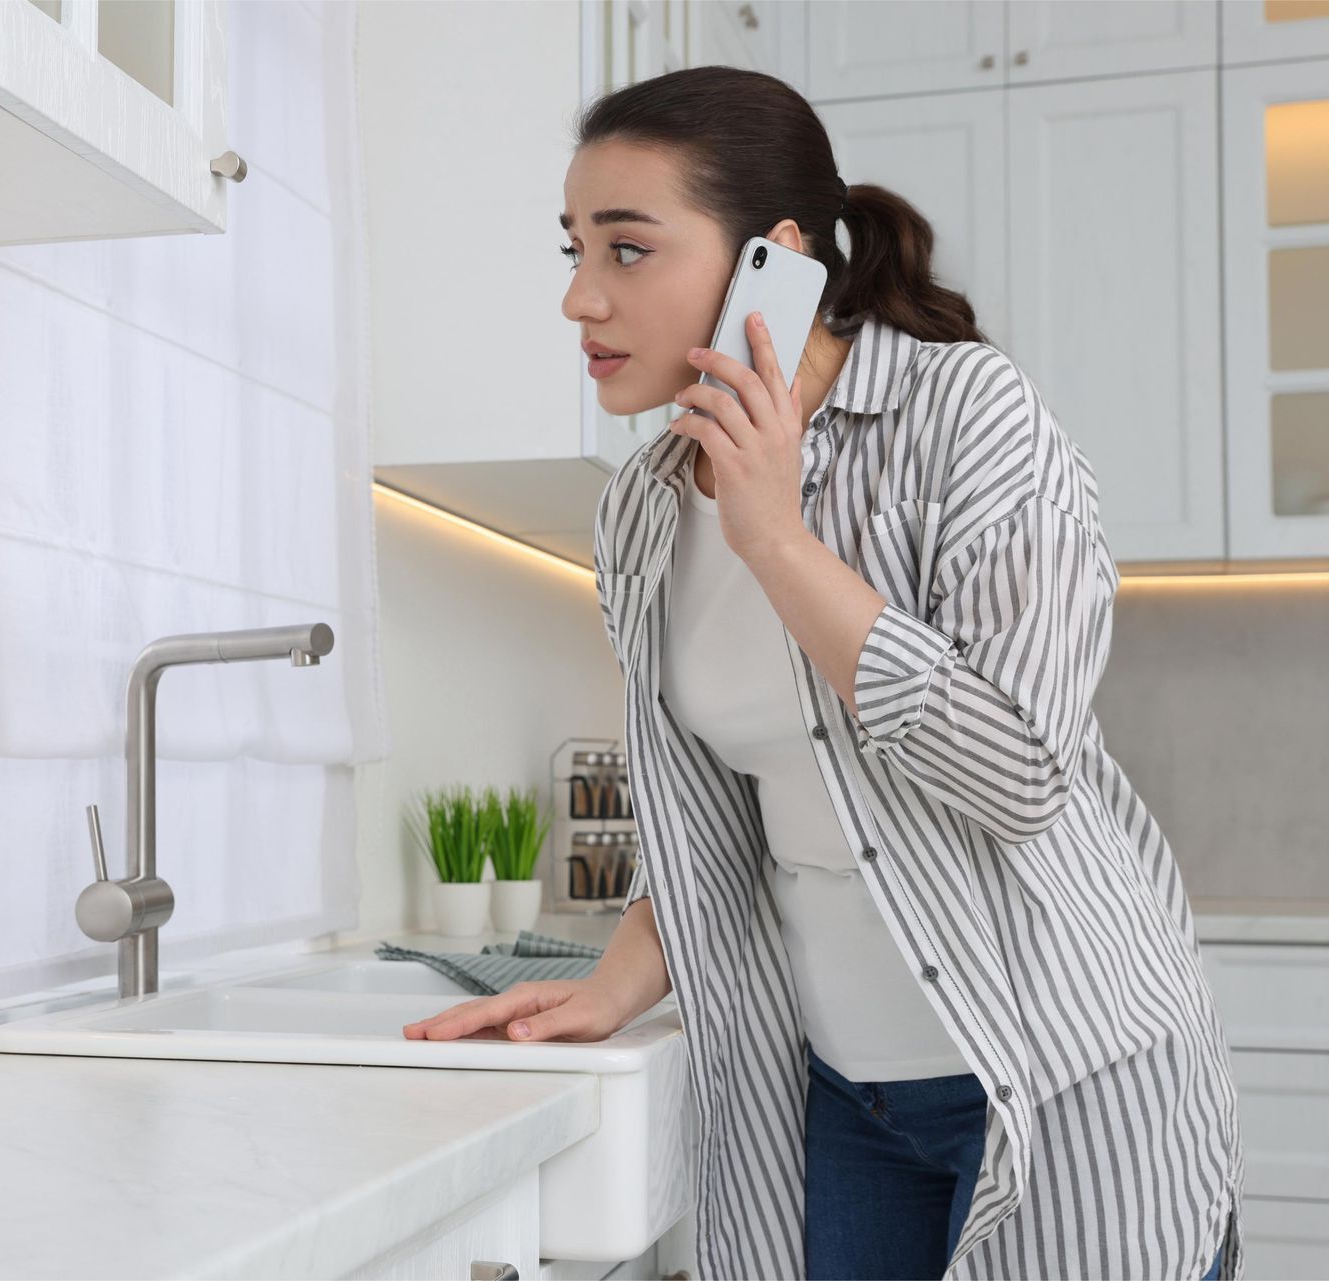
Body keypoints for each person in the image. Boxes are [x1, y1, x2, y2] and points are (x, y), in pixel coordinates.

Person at [401, 66, 1241, 1281]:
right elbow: (716, 815)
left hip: (1059, 1079)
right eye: (575, 248)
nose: (582, 297)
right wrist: (620, 976)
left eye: (629, 251)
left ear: (776, 258)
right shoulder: (640, 508)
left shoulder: (967, 415)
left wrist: (778, 541)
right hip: (841, 1099)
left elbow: (1019, 770)